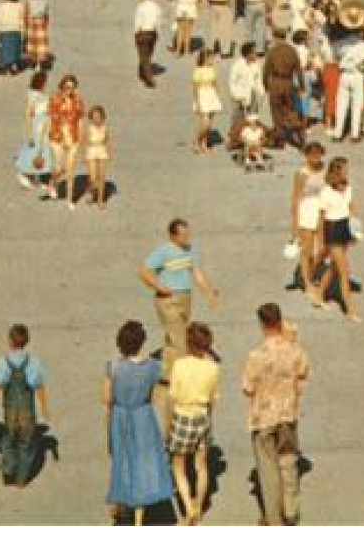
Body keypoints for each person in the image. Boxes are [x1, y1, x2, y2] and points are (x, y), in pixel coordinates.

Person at [242, 304, 310, 526]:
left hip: (264, 417)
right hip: (289, 412)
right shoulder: (295, 350)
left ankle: (273, 518)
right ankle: (291, 510)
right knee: (289, 461)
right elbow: (303, 375)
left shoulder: (256, 356)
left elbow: (247, 388)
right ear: (280, 321)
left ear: (262, 325)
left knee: (268, 469)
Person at [105, 320, 174, 525]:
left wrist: (108, 428)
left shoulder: (113, 367)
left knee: (122, 460)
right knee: (143, 461)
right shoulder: (152, 367)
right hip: (143, 417)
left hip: (120, 417)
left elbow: (107, 400)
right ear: (142, 343)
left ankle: (123, 502)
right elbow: (170, 378)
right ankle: (139, 514)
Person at [139, 219, 222, 379]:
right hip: (168, 300)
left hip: (185, 298)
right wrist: (159, 286)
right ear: (172, 236)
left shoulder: (191, 250)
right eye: (183, 235)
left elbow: (197, 272)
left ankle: (169, 374)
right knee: (180, 340)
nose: (187, 237)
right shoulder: (163, 251)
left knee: (174, 337)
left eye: (187, 233)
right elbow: (144, 271)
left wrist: (209, 292)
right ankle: (184, 378)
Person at [167, 322, 220, 525]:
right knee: (201, 466)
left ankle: (188, 506)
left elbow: (172, 397)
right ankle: (199, 503)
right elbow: (213, 399)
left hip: (183, 415)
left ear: (188, 343)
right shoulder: (213, 368)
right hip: (202, 416)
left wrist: (170, 424)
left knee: (178, 466)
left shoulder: (179, 365)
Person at [0, 324, 51, 488]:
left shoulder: (3, 363)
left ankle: (9, 469)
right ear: (27, 341)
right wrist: (45, 407)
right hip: (27, 412)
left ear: (9, 341)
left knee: (7, 441)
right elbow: (38, 386)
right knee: (26, 445)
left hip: (10, 412)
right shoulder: (33, 362)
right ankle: (21, 479)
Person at [316, 157, 363, 322]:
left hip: (344, 227)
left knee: (334, 268)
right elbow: (321, 218)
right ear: (336, 171)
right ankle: (350, 309)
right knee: (345, 272)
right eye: (344, 169)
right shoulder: (326, 192)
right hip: (333, 229)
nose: (347, 172)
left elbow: (351, 208)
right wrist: (321, 240)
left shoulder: (348, 187)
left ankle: (318, 295)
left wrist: (356, 231)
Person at [291, 142, 329, 306]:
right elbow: (296, 198)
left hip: (323, 211)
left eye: (318, 153)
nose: (315, 157)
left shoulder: (325, 170)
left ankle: (311, 275)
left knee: (321, 249)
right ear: (306, 155)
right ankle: (307, 283)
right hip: (307, 211)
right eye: (311, 154)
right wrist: (295, 224)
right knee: (308, 251)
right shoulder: (302, 174)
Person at [49, 74, 85, 207]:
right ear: (62, 86)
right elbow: (51, 118)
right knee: (59, 168)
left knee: (70, 171)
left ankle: (70, 199)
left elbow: (81, 119)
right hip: (58, 137)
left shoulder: (78, 100)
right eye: (67, 87)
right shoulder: (55, 99)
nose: (69, 90)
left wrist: (81, 138)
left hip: (73, 137)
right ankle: (52, 183)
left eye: (72, 87)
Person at [16, 71, 54, 195]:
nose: (46, 83)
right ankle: (23, 174)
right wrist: (30, 134)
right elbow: (28, 114)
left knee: (43, 151)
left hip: (44, 123)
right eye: (45, 81)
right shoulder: (33, 95)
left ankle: (41, 177)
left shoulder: (39, 94)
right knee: (35, 150)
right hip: (37, 124)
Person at [190, 49, 223, 154]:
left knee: (210, 123)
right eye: (210, 58)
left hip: (211, 95)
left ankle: (205, 144)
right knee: (205, 124)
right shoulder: (198, 70)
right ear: (205, 58)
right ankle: (196, 141)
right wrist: (197, 102)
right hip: (202, 96)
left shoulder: (212, 69)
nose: (212, 60)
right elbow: (195, 88)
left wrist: (217, 96)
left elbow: (215, 83)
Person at [133, 0, 162, 88]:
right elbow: (158, 22)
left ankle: (149, 79)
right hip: (152, 33)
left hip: (143, 33)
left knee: (144, 56)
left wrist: (136, 33)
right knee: (148, 55)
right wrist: (158, 32)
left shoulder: (141, 7)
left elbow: (138, 22)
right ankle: (142, 74)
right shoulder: (156, 7)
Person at [85, 105, 112, 208]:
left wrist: (109, 152)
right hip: (91, 151)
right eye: (94, 117)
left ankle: (100, 200)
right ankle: (91, 192)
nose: (96, 119)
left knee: (101, 177)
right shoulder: (89, 128)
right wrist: (84, 155)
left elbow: (107, 140)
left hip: (102, 151)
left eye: (98, 116)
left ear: (102, 117)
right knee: (92, 177)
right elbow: (84, 142)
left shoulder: (105, 128)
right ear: (91, 118)